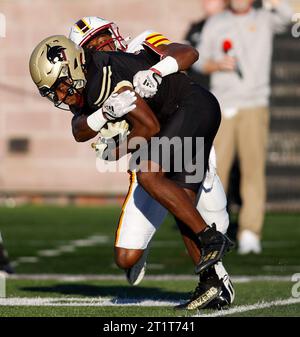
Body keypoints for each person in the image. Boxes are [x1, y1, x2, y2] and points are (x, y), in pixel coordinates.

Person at [29, 34, 234, 309]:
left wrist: (118, 146)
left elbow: (150, 128)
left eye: (62, 86)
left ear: (74, 65)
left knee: (147, 173)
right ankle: (213, 285)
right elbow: (79, 129)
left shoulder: (103, 77)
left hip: (191, 108)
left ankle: (211, 238)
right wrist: (104, 118)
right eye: (55, 92)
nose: (62, 95)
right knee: (180, 205)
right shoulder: (88, 83)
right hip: (181, 119)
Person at [193, 0, 293, 254]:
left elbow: (287, 15)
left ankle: (250, 231)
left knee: (253, 171)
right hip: (222, 104)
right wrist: (216, 64)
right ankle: (214, 231)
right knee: (215, 171)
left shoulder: (263, 19)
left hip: (254, 105)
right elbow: (199, 59)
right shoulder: (217, 21)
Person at [184, 0, 228, 88]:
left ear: (224, 2)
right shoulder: (196, 27)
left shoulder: (232, 26)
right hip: (196, 87)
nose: (206, 1)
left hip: (220, 89)